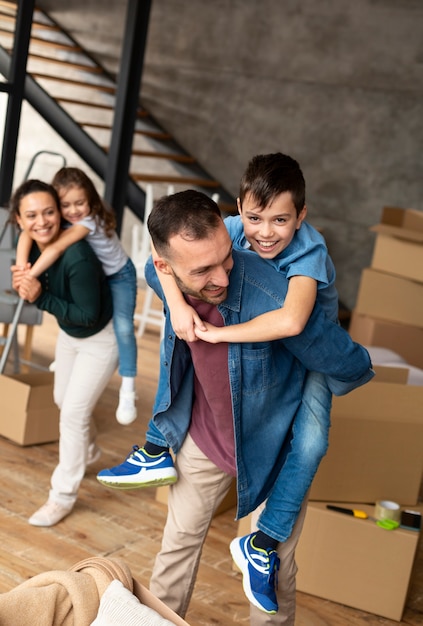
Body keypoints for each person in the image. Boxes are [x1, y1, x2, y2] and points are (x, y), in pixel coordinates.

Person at [98, 189, 373, 623]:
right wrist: (174, 299)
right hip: (205, 438)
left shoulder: (273, 295)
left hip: (274, 451)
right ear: (169, 268)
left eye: (225, 258)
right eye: (203, 269)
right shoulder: (164, 276)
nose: (222, 277)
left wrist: (305, 332)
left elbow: (351, 362)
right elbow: (155, 259)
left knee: (273, 576)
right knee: (175, 550)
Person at [10, 179, 119, 527]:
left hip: (101, 338)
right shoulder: (30, 244)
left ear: (60, 212)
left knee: (72, 414)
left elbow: (88, 316)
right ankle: (88, 451)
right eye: (32, 215)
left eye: (49, 212)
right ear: (19, 220)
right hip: (71, 336)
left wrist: (39, 296)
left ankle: (62, 496)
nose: (42, 221)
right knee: (62, 399)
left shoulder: (77, 255)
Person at [15, 167, 138, 425]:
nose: (73, 211)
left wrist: (28, 277)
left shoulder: (87, 221)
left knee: (124, 326)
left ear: (90, 200)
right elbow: (26, 233)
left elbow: (58, 247)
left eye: (79, 203)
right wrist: (21, 265)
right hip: (101, 274)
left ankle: (128, 387)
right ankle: (69, 360)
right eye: (65, 205)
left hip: (120, 274)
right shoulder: (61, 220)